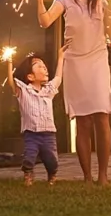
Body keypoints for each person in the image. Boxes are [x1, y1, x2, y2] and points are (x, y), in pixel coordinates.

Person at [33, 0, 111, 185]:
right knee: (83, 120)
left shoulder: (102, 2)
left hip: (98, 60)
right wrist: (40, 1)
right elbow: (46, 21)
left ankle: (103, 175)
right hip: (75, 62)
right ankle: (87, 177)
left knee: (102, 116)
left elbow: (108, 32)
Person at [8, 44, 69, 186]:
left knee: (52, 160)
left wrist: (61, 57)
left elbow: (58, 78)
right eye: (39, 66)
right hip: (32, 134)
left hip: (48, 134)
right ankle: (28, 175)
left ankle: (52, 175)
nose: (45, 68)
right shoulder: (24, 91)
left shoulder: (48, 91)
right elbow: (11, 81)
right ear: (30, 76)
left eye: (44, 66)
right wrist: (9, 62)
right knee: (29, 157)